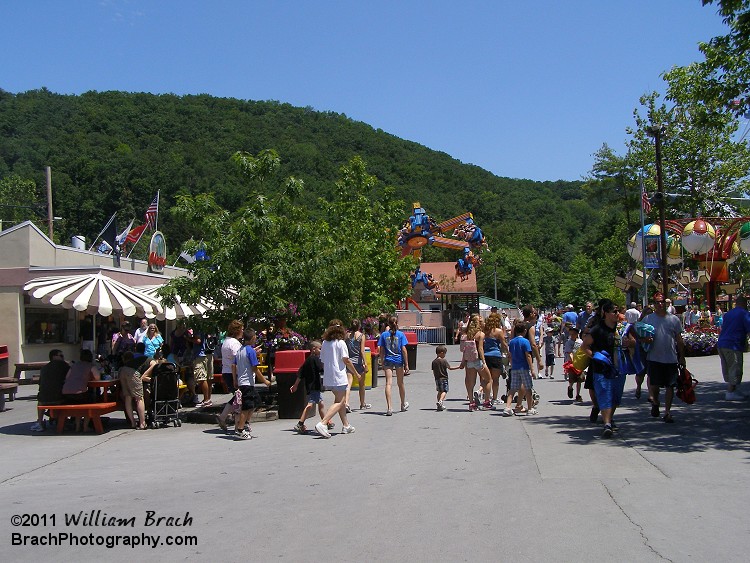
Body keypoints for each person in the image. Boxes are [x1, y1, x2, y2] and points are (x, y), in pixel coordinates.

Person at [581, 300, 633, 438]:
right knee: (604, 394)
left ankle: (609, 418)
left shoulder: (621, 328)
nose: (617, 314)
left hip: (619, 367)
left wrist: (629, 342)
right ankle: (607, 424)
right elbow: (584, 346)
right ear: (606, 313)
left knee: (616, 397)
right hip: (602, 369)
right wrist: (596, 357)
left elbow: (633, 341)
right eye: (614, 311)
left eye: (618, 311)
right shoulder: (598, 329)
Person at [642, 292, 685, 423]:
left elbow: (679, 339)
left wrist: (682, 356)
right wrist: (645, 339)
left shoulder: (674, 319)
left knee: (670, 385)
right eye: (657, 302)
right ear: (653, 304)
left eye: (662, 302)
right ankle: (655, 402)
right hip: (654, 357)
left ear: (666, 303)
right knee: (654, 385)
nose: (660, 304)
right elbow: (639, 335)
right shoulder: (648, 319)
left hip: (671, 358)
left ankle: (667, 412)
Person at [315, 320, 358, 437]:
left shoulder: (325, 343)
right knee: (341, 401)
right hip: (339, 376)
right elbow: (346, 360)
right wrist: (356, 373)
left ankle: (346, 425)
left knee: (339, 401)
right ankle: (323, 423)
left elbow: (322, 360)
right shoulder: (341, 343)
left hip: (328, 376)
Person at [232, 329, 271, 440]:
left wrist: (235, 380)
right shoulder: (250, 351)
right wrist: (265, 381)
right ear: (253, 338)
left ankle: (246, 422)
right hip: (247, 382)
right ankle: (240, 429)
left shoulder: (240, 350)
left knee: (256, 402)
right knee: (246, 406)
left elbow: (233, 365)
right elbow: (255, 368)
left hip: (242, 381)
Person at [290, 341, 334, 433]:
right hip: (314, 386)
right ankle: (300, 424)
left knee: (321, 403)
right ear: (314, 349)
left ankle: (326, 422)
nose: (321, 350)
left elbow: (300, 374)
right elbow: (322, 369)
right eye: (320, 348)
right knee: (310, 405)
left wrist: (295, 385)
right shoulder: (315, 359)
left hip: (312, 386)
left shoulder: (307, 360)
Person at [716, 295, 750, 400]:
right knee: (735, 367)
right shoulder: (744, 314)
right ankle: (730, 392)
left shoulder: (728, 314)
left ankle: (733, 389)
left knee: (728, 367)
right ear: (745, 304)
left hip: (722, 344)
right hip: (733, 344)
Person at [61, 348, 101, 431]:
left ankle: (77, 426)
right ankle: (85, 426)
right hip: (79, 393)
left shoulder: (74, 365)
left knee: (79, 406)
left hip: (66, 393)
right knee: (90, 403)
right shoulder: (90, 365)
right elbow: (97, 377)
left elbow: (67, 377)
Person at [377, 315, 409, 416]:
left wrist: (381, 361)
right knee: (400, 383)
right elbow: (404, 349)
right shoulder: (400, 334)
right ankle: (403, 404)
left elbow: (381, 350)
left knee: (388, 384)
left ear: (388, 324)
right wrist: (407, 364)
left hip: (388, 359)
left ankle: (389, 407)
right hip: (398, 359)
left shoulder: (383, 335)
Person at [216, 320, 244, 431]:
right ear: (237, 330)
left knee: (237, 397)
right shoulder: (235, 343)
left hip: (226, 371)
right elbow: (238, 359)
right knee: (239, 397)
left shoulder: (226, 342)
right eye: (241, 329)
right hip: (234, 373)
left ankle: (224, 417)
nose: (242, 331)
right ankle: (237, 424)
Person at [31, 349, 69, 432]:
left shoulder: (44, 368)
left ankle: (40, 422)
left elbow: (40, 383)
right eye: (61, 356)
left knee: (40, 400)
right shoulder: (65, 366)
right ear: (54, 356)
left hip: (43, 399)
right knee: (72, 396)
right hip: (60, 398)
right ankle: (66, 421)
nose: (63, 358)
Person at [503, 323, 537, 416]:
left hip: (515, 367)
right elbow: (528, 355)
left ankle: (508, 407)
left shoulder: (512, 342)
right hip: (524, 367)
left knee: (512, 388)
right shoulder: (525, 341)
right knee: (528, 388)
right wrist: (532, 368)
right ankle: (530, 408)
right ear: (525, 331)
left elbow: (510, 355)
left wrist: (512, 364)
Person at [462, 314, 492, 410]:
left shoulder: (467, 334)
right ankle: (487, 402)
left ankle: (471, 403)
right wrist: (484, 362)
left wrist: (463, 361)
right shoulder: (480, 334)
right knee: (488, 379)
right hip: (478, 360)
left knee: (470, 382)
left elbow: (464, 349)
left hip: (469, 361)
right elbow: (480, 349)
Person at [118, 350, 151, 429]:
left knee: (128, 397)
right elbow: (150, 369)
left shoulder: (132, 362)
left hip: (123, 371)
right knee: (139, 398)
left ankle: (132, 422)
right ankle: (142, 423)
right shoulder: (151, 361)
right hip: (132, 373)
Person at [483, 312, 510, 405]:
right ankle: (494, 398)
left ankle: (486, 398)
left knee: (487, 379)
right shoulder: (498, 331)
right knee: (495, 380)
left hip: (485, 356)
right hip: (495, 355)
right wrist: (509, 353)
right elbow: (504, 344)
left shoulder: (484, 330)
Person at [345, 319, 371, 411]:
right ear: (359, 326)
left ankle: (347, 403)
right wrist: (365, 363)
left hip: (349, 362)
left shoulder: (347, 336)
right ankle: (362, 403)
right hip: (358, 362)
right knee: (361, 384)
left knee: (349, 383)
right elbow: (362, 351)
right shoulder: (361, 336)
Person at [432, 344, 462, 411]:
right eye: (445, 353)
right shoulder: (444, 361)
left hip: (437, 379)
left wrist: (435, 377)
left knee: (439, 391)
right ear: (442, 353)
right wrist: (459, 367)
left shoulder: (434, 362)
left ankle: (439, 405)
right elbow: (450, 368)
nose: (445, 355)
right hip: (444, 378)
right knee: (444, 391)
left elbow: (433, 371)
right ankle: (440, 401)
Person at [187, 327, 211, 407]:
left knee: (201, 378)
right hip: (200, 356)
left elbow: (198, 341)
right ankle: (206, 399)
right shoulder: (201, 329)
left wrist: (189, 339)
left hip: (199, 356)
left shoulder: (198, 329)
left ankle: (206, 400)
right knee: (201, 378)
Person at [564, 327, 584, 402]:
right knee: (572, 379)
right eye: (571, 334)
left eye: (574, 334)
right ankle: (570, 387)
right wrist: (572, 362)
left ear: (577, 334)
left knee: (580, 379)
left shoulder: (580, 342)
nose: (572, 335)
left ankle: (578, 395)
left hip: (580, 362)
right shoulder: (568, 342)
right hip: (571, 363)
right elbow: (569, 353)